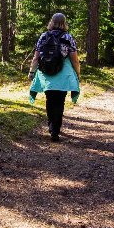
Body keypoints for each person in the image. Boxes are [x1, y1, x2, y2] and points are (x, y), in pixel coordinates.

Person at [28, 13, 81, 142]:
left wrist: (31, 72)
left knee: (49, 100)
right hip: (63, 75)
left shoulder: (44, 36)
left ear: (51, 22)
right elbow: (74, 60)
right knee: (60, 102)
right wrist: (77, 74)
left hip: (46, 74)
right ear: (64, 23)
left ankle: (51, 127)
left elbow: (36, 57)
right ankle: (55, 130)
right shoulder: (68, 37)